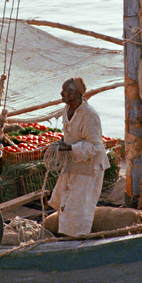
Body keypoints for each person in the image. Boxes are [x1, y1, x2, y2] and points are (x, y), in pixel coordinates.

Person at [48, 77, 110, 236]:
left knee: (80, 207)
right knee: (65, 202)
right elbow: (71, 136)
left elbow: (95, 146)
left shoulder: (89, 115)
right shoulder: (67, 110)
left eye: (65, 91)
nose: (61, 94)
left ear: (75, 93)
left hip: (90, 168)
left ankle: (77, 238)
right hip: (73, 163)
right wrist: (62, 143)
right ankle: (65, 235)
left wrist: (69, 147)